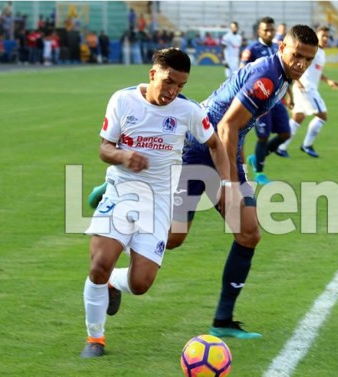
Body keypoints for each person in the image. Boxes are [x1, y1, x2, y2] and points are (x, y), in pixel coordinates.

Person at [166, 25, 318, 339]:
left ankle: (222, 321)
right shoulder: (267, 78)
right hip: (199, 150)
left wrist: (239, 165)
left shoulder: (280, 77)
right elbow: (226, 126)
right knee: (173, 238)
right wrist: (230, 185)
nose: (301, 63)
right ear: (282, 47)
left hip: (222, 148)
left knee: (249, 233)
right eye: (297, 55)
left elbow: (238, 127)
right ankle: (121, 220)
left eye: (308, 58)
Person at [80, 48, 230, 358]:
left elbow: (215, 144)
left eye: (181, 85)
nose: (173, 91)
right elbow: (105, 148)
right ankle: (95, 339)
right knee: (99, 265)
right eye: (169, 81)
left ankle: (113, 285)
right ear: (153, 74)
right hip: (122, 191)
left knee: (140, 283)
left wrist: (227, 184)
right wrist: (123, 156)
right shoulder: (123, 100)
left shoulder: (188, 111)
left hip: (159, 203)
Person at [240, 17, 293, 185]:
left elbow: (284, 74)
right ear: (259, 32)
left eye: (272, 29)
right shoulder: (252, 50)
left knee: (285, 134)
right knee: (263, 136)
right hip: (259, 102)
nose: (270, 33)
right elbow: (242, 73)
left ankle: (256, 157)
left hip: (276, 101)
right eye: (266, 30)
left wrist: (290, 95)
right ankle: (259, 172)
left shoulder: (278, 48)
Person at [277, 26, 338, 158]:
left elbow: (316, 71)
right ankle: (307, 145)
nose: (326, 39)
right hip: (306, 87)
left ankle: (280, 147)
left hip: (305, 87)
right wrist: (297, 81)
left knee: (298, 118)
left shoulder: (320, 52)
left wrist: (328, 80)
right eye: (323, 35)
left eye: (328, 37)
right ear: (316, 36)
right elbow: (296, 64)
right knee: (322, 116)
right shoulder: (311, 50)